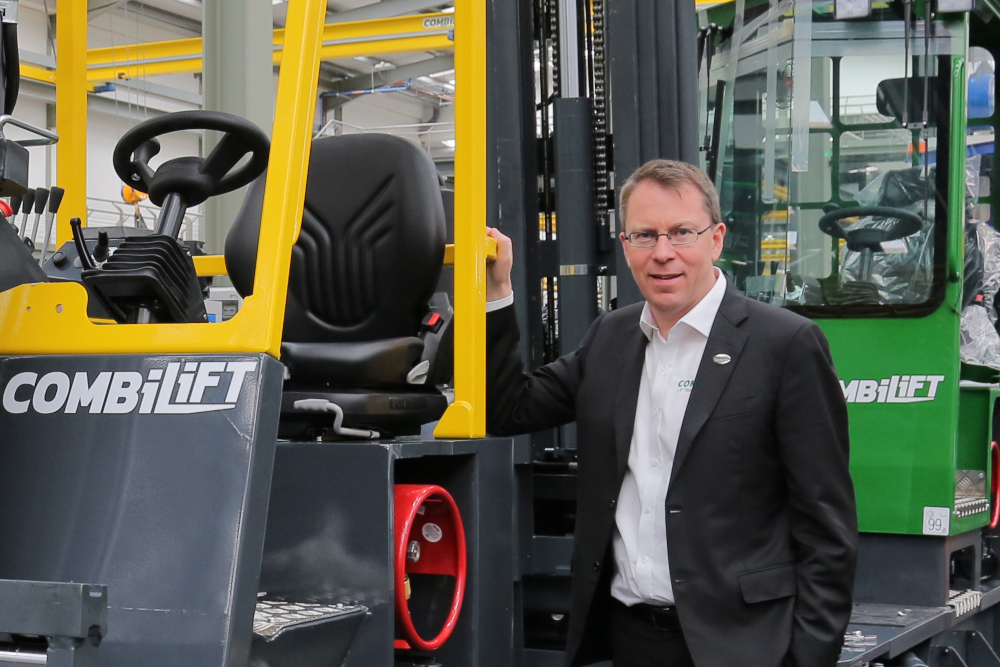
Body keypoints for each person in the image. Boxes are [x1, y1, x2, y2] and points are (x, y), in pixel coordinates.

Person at [485, 160, 857, 667]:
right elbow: (506, 408)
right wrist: (494, 294)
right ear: (625, 246)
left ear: (716, 238)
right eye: (645, 236)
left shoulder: (785, 345)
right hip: (631, 638)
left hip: (745, 644)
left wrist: (809, 658)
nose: (663, 253)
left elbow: (827, 528)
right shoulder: (609, 339)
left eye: (682, 232)